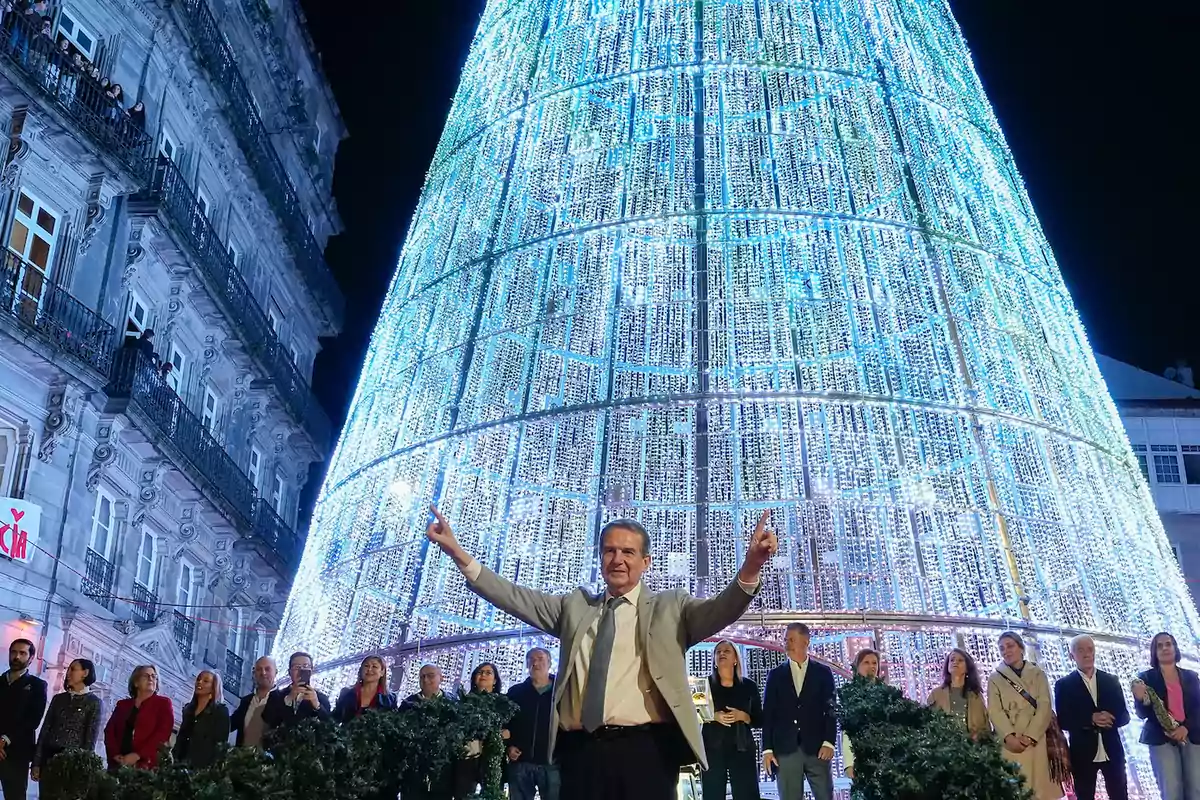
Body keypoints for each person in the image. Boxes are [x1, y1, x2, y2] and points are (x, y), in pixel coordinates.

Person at [425, 505, 776, 800]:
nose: (617, 559)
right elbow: (514, 597)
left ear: (645, 561)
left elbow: (722, 609)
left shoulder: (671, 607)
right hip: (581, 751)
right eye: (609, 550)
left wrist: (752, 567)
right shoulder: (575, 607)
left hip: (648, 752)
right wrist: (459, 554)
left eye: (628, 552)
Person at [761, 623, 837, 800]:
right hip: (786, 749)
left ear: (806, 641)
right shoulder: (775, 675)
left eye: (792, 639)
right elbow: (768, 714)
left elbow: (831, 709)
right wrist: (767, 749)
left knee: (825, 795)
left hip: (818, 748)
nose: (787, 643)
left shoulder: (823, 673)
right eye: (786, 639)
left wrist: (829, 742)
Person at [987, 631, 1062, 800]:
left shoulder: (1037, 673)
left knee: (1038, 790)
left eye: (1010, 646)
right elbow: (994, 710)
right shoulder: (995, 678)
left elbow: (1045, 706)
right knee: (1015, 789)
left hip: (1036, 739)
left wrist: (1030, 735)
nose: (1006, 651)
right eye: (1001, 648)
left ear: (1021, 648)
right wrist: (1008, 736)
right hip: (1011, 741)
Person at [1053, 634, 1129, 800]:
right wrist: (1091, 719)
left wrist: (1111, 718)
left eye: (1090, 649)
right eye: (1080, 650)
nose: (1087, 654)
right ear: (1071, 655)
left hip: (1113, 751)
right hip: (1082, 753)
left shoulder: (1111, 680)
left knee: (1120, 795)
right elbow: (1063, 720)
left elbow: (1125, 716)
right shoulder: (1064, 685)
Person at [1133, 631, 1200, 800]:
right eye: (1159, 646)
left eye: (1168, 644)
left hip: (1191, 736)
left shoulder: (1191, 676)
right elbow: (1141, 714)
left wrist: (1186, 727)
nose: (1165, 648)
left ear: (1175, 648)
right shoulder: (1145, 678)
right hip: (1161, 739)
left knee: (1196, 789)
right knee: (1171, 791)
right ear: (1154, 652)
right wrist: (1140, 699)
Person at [701, 639, 761, 800]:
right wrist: (713, 716)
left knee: (746, 793)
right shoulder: (704, 686)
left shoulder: (749, 686)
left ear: (735, 659)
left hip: (742, 748)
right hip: (712, 749)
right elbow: (694, 714)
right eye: (718, 651)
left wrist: (744, 716)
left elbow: (759, 719)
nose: (721, 653)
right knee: (712, 794)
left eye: (726, 651)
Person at [32, 658, 101, 794]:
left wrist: (83, 770)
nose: (68, 672)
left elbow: (90, 740)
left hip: (71, 764)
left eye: (73, 669)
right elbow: (45, 730)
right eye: (68, 669)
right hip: (49, 759)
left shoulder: (94, 702)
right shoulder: (59, 699)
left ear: (85, 673)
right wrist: (36, 762)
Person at [506, 647, 559, 800]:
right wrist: (510, 745)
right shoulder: (516, 692)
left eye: (540, 659)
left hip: (552, 763)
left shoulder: (561, 691)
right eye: (531, 659)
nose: (535, 663)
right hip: (521, 762)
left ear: (549, 663)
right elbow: (506, 724)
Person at [0, 639, 47, 800]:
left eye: (22, 653)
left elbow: (32, 720)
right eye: (13, 652)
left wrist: (5, 739)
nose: (16, 656)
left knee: (15, 796)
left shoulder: (37, 685)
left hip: (17, 753)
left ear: (31, 658)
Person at [103, 665, 174, 770]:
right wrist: (115, 754)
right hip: (118, 764)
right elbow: (110, 731)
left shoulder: (163, 704)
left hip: (145, 767)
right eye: (146, 676)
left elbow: (162, 733)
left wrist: (138, 755)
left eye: (154, 676)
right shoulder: (123, 705)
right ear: (136, 683)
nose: (151, 678)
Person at [453, 663, 508, 799]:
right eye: (480, 672)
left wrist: (505, 734)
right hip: (467, 759)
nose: (483, 675)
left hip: (493, 759)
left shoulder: (503, 703)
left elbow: (510, 730)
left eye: (488, 673)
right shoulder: (463, 703)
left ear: (495, 680)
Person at [926, 648, 989, 739]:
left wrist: (977, 736)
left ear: (967, 668)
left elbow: (986, 728)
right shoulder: (936, 694)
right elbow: (927, 723)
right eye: (952, 660)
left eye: (960, 660)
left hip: (972, 748)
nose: (955, 662)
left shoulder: (976, 695)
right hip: (943, 747)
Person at [172, 671, 230, 768]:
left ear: (213, 687)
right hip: (180, 765)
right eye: (198, 679)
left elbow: (220, 746)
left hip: (202, 769)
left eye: (205, 681)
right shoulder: (188, 710)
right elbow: (181, 737)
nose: (199, 682)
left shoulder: (220, 711)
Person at [261, 651, 330, 731]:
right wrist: (288, 700)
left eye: (306, 666)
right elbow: (268, 720)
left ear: (311, 671)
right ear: (289, 672)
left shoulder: (321, 698)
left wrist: (317, 706)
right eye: (297, 667)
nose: (301, 670)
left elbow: (329, 726)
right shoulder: (276, 695)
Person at [841, 648, 880, 784]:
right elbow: (847, 731)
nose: (872, 666)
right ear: (857, 667)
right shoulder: (851, 695)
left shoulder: (887, 692)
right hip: (861, 757)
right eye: (866, 662)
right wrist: (849, 763)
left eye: (875, 663)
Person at [332, 655, 397, 722]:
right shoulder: (346, 692)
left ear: (382, 672)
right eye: (366, 666)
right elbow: (334, 719)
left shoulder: (390, 699)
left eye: (374, 666)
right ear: (361, 670)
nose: (369, 669)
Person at [231, 656, 276, 749]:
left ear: (276, 672)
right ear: (254, 673)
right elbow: (229, 725)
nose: (263, 673)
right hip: (242, 759)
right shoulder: (245, 702)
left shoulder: (282, 700)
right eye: (259, 669)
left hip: (269, 761)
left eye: (267, 669)